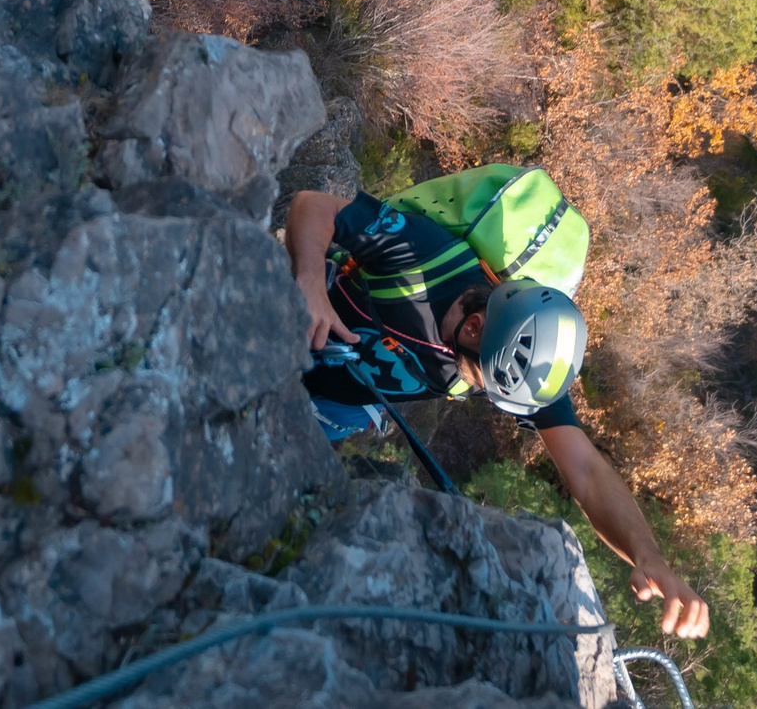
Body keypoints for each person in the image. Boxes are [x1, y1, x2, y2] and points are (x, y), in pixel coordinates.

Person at [284, 184, 713, 640]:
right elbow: (313, 205)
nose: (487, 396)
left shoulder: (520, 369)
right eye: (484, 381)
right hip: (290, 331)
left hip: (334, 406)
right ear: (474, 326)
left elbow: (585, 469)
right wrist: (310, 283)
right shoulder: (428, 255)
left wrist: (649, 556)